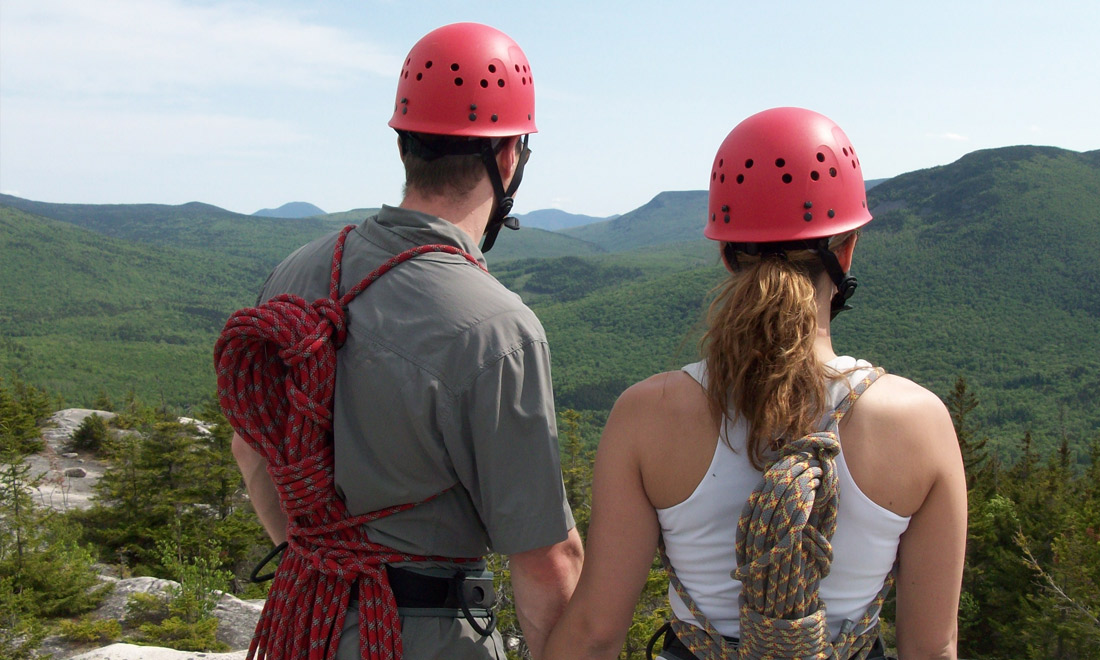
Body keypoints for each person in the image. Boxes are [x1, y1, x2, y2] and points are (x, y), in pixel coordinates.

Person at [544, 107, 966, 660]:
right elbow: (931, 649)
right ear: (846, 250)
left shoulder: (645, 416)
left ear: (725, 252)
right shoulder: (920, 423)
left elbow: (595, 632)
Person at [217, 22, 583, 660]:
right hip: (424, 635)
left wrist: (317, 555)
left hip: (306, 621)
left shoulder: (295, 273)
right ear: (506, 159)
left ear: (404, 146)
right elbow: (547, 559)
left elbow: (252, 451)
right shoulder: (498, 328)